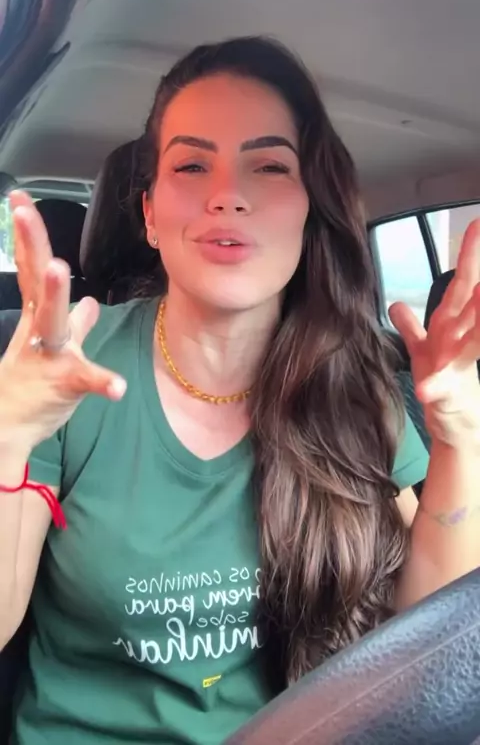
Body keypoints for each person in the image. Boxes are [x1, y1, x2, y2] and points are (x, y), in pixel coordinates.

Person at [0, 37, 479, 745]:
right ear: (150, 215)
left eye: (269, 165)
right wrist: (8, 431)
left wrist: (460, 440)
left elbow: (425, 641)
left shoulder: (351, 380)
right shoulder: (69, 365)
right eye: (192, 165)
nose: (228, 194)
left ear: (308, 209)